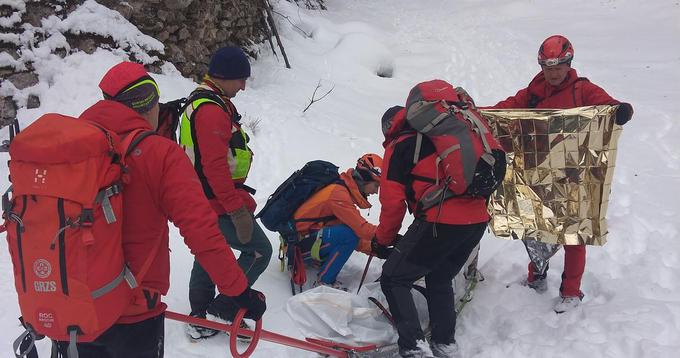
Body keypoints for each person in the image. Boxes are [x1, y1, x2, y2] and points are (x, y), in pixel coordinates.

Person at [54, 61, 266, 357]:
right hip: (134, 310)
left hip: (70, 306)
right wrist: (241, 293)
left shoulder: (69, 147)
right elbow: (203, 236)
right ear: (148, 103)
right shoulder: (159, 154)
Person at [490, 34, 634, 313]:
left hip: (574, 177)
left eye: (558, 67)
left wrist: (620, 111)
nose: (553, 73)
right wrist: (478, 114)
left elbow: (607, 106)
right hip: (538, 174)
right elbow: (506, 109)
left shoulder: (583, 90)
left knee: (573, 233)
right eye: (547, 67)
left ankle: (571, 291)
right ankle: (536, 277)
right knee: (535, 225)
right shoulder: (534, 91)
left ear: (569, 63)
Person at [374, 105, 488, 358]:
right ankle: (444, 343)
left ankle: (415, 348)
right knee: (439, 277)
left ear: (388, 127)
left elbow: (392, 203)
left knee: (394, 278)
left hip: (441, 221)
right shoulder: (444, 137)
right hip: (477, 219)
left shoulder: (401, 144)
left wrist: (383, 241)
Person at [179, 46, 273, 339]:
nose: (244, 86)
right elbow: (214, 169)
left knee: (209, 251)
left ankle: (201, 313)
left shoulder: (201, 102)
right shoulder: (210, 111)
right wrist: (236, 210)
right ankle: (225, 306)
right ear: (224, 77)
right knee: (260, 250)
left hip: (200, 198)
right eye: (240, 79)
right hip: (216, 201)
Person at [293, 154, 383, 289]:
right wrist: (389, 237)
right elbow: (361, 230)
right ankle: (324, 281)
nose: (376, 192)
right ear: (365, 178)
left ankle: (322, 263)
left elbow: (354, 232)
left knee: (348, 232)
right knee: (349, 235)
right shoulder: (339, 195)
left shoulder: (342, 189)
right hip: (296, 248)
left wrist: (376, 249)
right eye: (376, 185)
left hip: (302, 240)